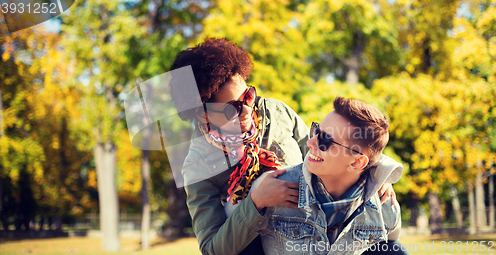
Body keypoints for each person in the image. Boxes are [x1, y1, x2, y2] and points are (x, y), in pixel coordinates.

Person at [169, 37, 400, 255]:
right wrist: (256, 202)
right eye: (232, 109)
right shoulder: (197, 164)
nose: (248, 111)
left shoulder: (277, 113)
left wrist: (374, 173)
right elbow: (212, 248)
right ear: (203, 114)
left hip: (315, 233)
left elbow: (328, 151)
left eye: (248, 96)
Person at [258, 97, 408, 255]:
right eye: (316, 130)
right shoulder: (272, 189)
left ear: (357, 163)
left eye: (324, 140)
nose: (310, 142)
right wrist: (256, 202)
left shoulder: (384, 205)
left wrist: (382, 176)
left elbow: (392, 244)